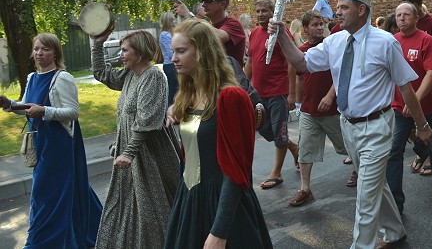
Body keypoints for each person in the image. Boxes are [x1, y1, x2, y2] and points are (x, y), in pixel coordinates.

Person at [269, 0, 432, 249]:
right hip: (349, 127)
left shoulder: (385, 42)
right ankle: (394, 231)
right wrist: (282, 34)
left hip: (377, 127)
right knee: (374, 186)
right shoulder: (334, 41)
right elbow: (301, 62)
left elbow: (405, 87)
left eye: (344, 7)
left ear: (361, 9)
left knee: (365, 197)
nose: (337, 12)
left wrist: (423, 125)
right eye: (339, 7)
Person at [164, 19, 272, 248]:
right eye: (173, 51)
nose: (173, 58)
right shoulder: (188, 96)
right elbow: (192, 157)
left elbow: (236, 172)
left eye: (181, 51)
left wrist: (219, 231)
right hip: (189, 199)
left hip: (224, 206)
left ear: (202, 52)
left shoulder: (231, 97)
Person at [1, 33, 102, 248]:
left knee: (46, 194)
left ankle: (41, 243)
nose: (39, 53)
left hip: (60, 145)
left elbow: (73, 112)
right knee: (68, 189)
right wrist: (8, 103)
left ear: (55, 52)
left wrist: (44, 110)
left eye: (45, 49)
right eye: (36, 49)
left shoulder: (62, 78)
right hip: (41, 143)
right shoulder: (31, 78)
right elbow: (28, 108)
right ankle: (96, 228)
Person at [91, 30, 180, 248]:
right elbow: (102, 73)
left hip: (148, 154)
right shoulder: (130, 75)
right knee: (127, 204)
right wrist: (97, 45)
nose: (121, 55)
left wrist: (128, 152)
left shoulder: (154, 76)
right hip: (129, 152)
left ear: (139, 53)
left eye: (124, 50)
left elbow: (145, 119)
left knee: (153, 205)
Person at [288, 11, 356, 207]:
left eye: (321, 24)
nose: (319, 28)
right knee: (305, 150)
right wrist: (298, 100)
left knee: (349, 146)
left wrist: (329, 96)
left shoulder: (332, 46)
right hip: (310, 111)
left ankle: (361, 173)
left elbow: (343, 72)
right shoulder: (302, 50)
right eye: (315, 25)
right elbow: (300, 76)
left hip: (333, 110)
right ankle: (305, 189)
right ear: (305, 29)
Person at [386, 3, 432, 213]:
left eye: (406, 15)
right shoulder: (392, 41)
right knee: (394, 150)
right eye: (398, 15)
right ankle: (396, 201)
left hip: (426, 105)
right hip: (398, 106)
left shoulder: (425, 40)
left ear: (415, 18)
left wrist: (415, 101)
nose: (402, 18)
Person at [244, 0, 299, 189]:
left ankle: (276, 172)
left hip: (279, 92)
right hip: (258, 93)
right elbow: (250, 61)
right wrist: (241, 86)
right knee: (265, 128)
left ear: (272, 13)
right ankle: (292, 146)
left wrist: (292, 94)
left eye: (264, 11)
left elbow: (292, 62)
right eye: (257, 11)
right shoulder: (254, 34)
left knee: (279, 131)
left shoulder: (280, 33)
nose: (260, 15)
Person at [199, 0, 247, 67]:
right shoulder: (207, 26)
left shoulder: (234, 24)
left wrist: (189, 16)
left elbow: (216, 37)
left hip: (230, 79)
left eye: (208, 1)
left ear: (222, 4)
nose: (203, 5)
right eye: (202, 1)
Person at [160, 11, 179, 105]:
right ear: (169, 21)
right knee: (173, 89)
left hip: (172, 64)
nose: (175, 21)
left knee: (176, 88)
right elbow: (170, 52)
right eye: (174, 19)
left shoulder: (170, 34)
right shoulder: (164, 35)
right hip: (170, 65)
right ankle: (168, 109)